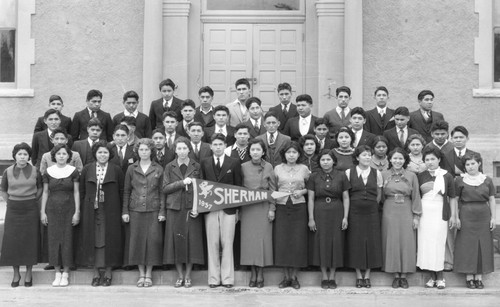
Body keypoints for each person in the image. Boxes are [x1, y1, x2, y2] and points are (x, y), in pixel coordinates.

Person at [77, 141, 124, 287]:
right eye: (100, 152)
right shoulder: (87, 169)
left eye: (105, 152)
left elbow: (122, 192)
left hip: (111, 210)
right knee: (94, 239)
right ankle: (96, 272)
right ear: (95, 154)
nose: (102, 155)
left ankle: (109, 271)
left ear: (110, 154)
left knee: (108, 238)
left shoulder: (116, 170)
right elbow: (82, 191)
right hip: (91, 210)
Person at [200, 133, 242, 288]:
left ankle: (228, 278)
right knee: (213, 243)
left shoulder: (234, 162)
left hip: (229, 209)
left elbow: (238, 187)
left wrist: (237, 210)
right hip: (210, 209)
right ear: (211, 146)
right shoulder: (205, 162)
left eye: (220, 145)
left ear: (225, 146)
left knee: (227, 243)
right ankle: (213, 278)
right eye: (215, 145)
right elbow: (202, 186)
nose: (218, 147)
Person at [122, 138, 165, 287]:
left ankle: (149, 273)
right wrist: (125, 211)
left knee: (152, 241)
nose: (144, 152)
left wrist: (162, 211)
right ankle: (141, 274)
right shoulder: (131, 168)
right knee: (137, 241)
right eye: (141, 149)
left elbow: (162, 192)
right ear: (137, 151)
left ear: (151, 151)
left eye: (147, 149)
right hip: (135, 209)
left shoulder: (158, 168)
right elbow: (126, 191)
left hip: (153, 210)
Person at [162, 137, 204, 288]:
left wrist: (198, 208)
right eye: (178, 149)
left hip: (191, 208)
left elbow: (202, 189)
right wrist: (182, 183)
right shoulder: (169, 166)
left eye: (184, 148)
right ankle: (179, 275)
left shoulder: (196, 166)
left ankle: (188, 275)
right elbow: (165, 188)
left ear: (189, 149)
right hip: (174, 208)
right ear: (175, 150)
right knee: (176, 242)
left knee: (192, 242)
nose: (181, 151)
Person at [0, 143, 42, 287]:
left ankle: (29, 273)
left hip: (30, 208)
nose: (22, 157)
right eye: (20, 154)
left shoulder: (36, 170)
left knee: (30, 240)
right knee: (13, 241)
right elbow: (3, 190)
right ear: (15, 156)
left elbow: (40, 188)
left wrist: (32, 200)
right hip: (13, 209)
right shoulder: (8, 171)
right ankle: (16, 273)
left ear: (29, 156)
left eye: (25, 154)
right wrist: (11, 202)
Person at [307, 149, 349, 289]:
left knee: (336, 242)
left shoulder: (341, 176)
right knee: (321, 242)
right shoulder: (314, 176)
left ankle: (333, 275)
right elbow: (311, 198)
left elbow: (346, 197)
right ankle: (324, 276)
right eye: (323, 160)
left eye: (328, 159)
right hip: (319, 210)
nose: (325, 162)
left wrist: (345, 217)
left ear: (333, 161)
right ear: (319, 162)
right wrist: (311, 218)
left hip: (337, 210)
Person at [453, 152, 496, 289]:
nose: (470, 167)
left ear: (479, 164)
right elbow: (455, 199)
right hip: (466, 215)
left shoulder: (487, 180)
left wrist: (494, 217)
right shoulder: (459, 180)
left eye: (473, 163)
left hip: (483, 215)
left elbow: (492, 199)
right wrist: (456, 217)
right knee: (467, 245)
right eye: (467, 164)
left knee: (482, 245)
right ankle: (469, 277)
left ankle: (479, 277)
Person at [40, 144, 80, 287]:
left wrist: (77, 212)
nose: (62, 156)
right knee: (54, 239)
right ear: (54, 156)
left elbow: (76, 192)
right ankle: (57, 272)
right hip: (52, 208)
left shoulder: (73, 171)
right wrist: (43, 211)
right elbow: (45, 192)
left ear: (69, 156)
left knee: (68, 238)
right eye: (59, 154)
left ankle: (66, 273)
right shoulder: (48, 171)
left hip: (69, 207)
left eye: (64, 154)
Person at [381, 147, 421, 289]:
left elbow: (416, 195)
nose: (397, 161)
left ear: (405, 160)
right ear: (390, 159)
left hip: (406, 208)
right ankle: (394, 275)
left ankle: (403, 276)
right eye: (395, 158)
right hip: (389, 209)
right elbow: (379, 195)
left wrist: (416, 216)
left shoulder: (412, 175)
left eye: (400, 158)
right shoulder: (383, 174)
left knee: (406, 241)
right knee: (391, 240)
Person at [417, 147, 456, 290]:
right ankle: (431, 277)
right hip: (424, 214)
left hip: (440, 213)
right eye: (427, 159)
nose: (430, 162)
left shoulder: (447, 176)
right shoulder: (420, 176)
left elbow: (452, 197)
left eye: (433, 159)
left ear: (439, 159)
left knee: (438, 243)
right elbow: (417, 197)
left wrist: (453, 215)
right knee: (426, 243)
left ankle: (440, 277)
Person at [240, 138, 276, 288]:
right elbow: (238, 189)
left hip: (263, 207)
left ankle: (260, 274)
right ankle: (252, 273)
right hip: (248, 208)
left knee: (262, 241)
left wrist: (272, 209)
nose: (255, 152)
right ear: (249, 151)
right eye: (253, 149)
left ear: (263, 152)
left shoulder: (268, 167)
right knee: (249, 242)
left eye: (258, 150)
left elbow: (273, 189)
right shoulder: (242, 166)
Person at [345, 145, 383, 288]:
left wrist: (372, 204)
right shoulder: (349, 172)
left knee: (371, 241)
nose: (367, 157)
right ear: (357, 157)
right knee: (356, 241)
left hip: (372, 211)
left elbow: (379, 193)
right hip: (354, 212)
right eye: (364, 155)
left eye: (369, 155)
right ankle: (358, 275)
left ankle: (367, 275)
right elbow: (346, 194)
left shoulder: (376, 173)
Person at [274, 142, 310, 289]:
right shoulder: (277, 168)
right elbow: (273, 188)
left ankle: (294, 277)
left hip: (299, 206)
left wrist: (302, 192)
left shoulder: (304, 169)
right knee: (283, 241)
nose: (291, 155)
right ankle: (285, 277)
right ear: (284, 154)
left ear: (299, 154)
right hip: (282, 207)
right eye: (289, 152)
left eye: (294, 152)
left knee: (297, 241)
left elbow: (310, 187)